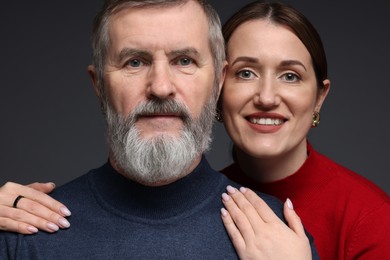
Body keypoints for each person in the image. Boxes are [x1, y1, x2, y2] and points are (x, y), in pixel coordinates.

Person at [0, 0, 319, 259]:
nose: (161, 87)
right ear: (99, 86)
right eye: (134, 63)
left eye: (184, 61)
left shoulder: (280, 238)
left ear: (218, 81)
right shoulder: (25, 232)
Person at [217, 1, 390, 259]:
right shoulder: (187, 204)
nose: (266, 97)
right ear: (217, 89)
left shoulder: (370, 218)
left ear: (319, 97)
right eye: (246, 73)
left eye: (290, 76)